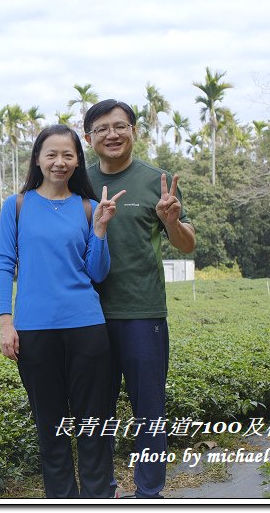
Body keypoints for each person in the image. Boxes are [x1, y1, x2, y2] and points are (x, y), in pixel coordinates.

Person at [0, 124, 125, 498]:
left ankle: (98, 497)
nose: (59, 162)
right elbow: (5, 265)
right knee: (51, 427)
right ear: (38, 158)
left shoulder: (87, 207)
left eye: (68, 155)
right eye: (51, 154)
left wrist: (99, 229)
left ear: (77, 161)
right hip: (34, 332)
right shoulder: (16, 206)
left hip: (87, 327)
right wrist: (7, 323)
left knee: (92, 424)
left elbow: (97, 272)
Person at [84, 99, 196, 499]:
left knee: (149, 410)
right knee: (95, 414)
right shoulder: (78, 181)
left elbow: (186, 245)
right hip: (86, 316)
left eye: (119, 126)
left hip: (142, 312)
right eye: (102, 129)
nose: (111, 134)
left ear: (134, 131)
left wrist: (171, 221)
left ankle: (149, 494)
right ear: (89, 137)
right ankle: (101, 492)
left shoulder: (157, 181)